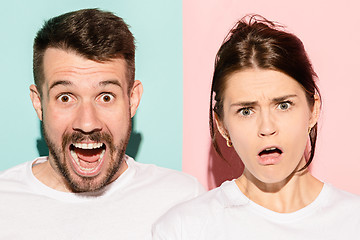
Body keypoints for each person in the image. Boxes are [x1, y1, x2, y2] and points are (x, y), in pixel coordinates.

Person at [0, 8, 204, 239]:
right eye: (66, 97)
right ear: (39, 103)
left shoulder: (182, 200)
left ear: (132, 99)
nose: (87, 123)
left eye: (105, 97)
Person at [152, 15, 360, 239]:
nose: (267, 127)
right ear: (222, 125)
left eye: (283, 105)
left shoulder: (353, 221)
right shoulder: (183, 229)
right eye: (246, 111)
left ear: (313, 111)